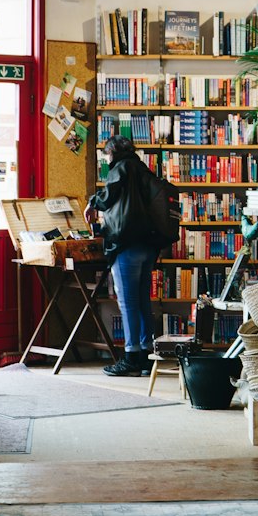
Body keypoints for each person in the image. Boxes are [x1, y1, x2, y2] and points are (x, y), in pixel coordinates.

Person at [85, 134, 162, 376]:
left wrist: (92, 203)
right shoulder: (142, 169)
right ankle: (146, 355)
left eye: (107, 155)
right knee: (142, 300)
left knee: (127, 302)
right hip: (148, 245)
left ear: (112, 152)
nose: (107, 159)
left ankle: (130, 357)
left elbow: (109, 196)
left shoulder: (121, 167)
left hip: (126, 243)